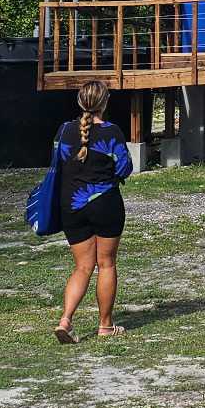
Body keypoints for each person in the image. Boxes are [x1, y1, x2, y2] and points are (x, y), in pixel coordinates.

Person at [53, 81, 132, 343]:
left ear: (80, 102)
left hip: (72, 206)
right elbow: (124, 168)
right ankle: (105, 326)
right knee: (106, 263)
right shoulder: (112, 132)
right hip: (105, 204)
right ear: (105, 102)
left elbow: (57, 164)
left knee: (82, 267)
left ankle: (65, 320)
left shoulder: (64, 130)